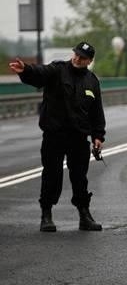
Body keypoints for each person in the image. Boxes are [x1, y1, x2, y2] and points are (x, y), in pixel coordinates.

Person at [9, 42, 106, 232]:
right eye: (76, 55)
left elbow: (96, 112)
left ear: (90, 61)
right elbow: (39, 74)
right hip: (55, 135)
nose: (77, 59)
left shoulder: (92, 81)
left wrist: (98, 136)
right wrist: (25, 70)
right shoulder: (57, 70)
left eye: (83, 57)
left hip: (78, 137)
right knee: (51, 175)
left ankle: (84, 215)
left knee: (80, 178)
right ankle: (46, 215)